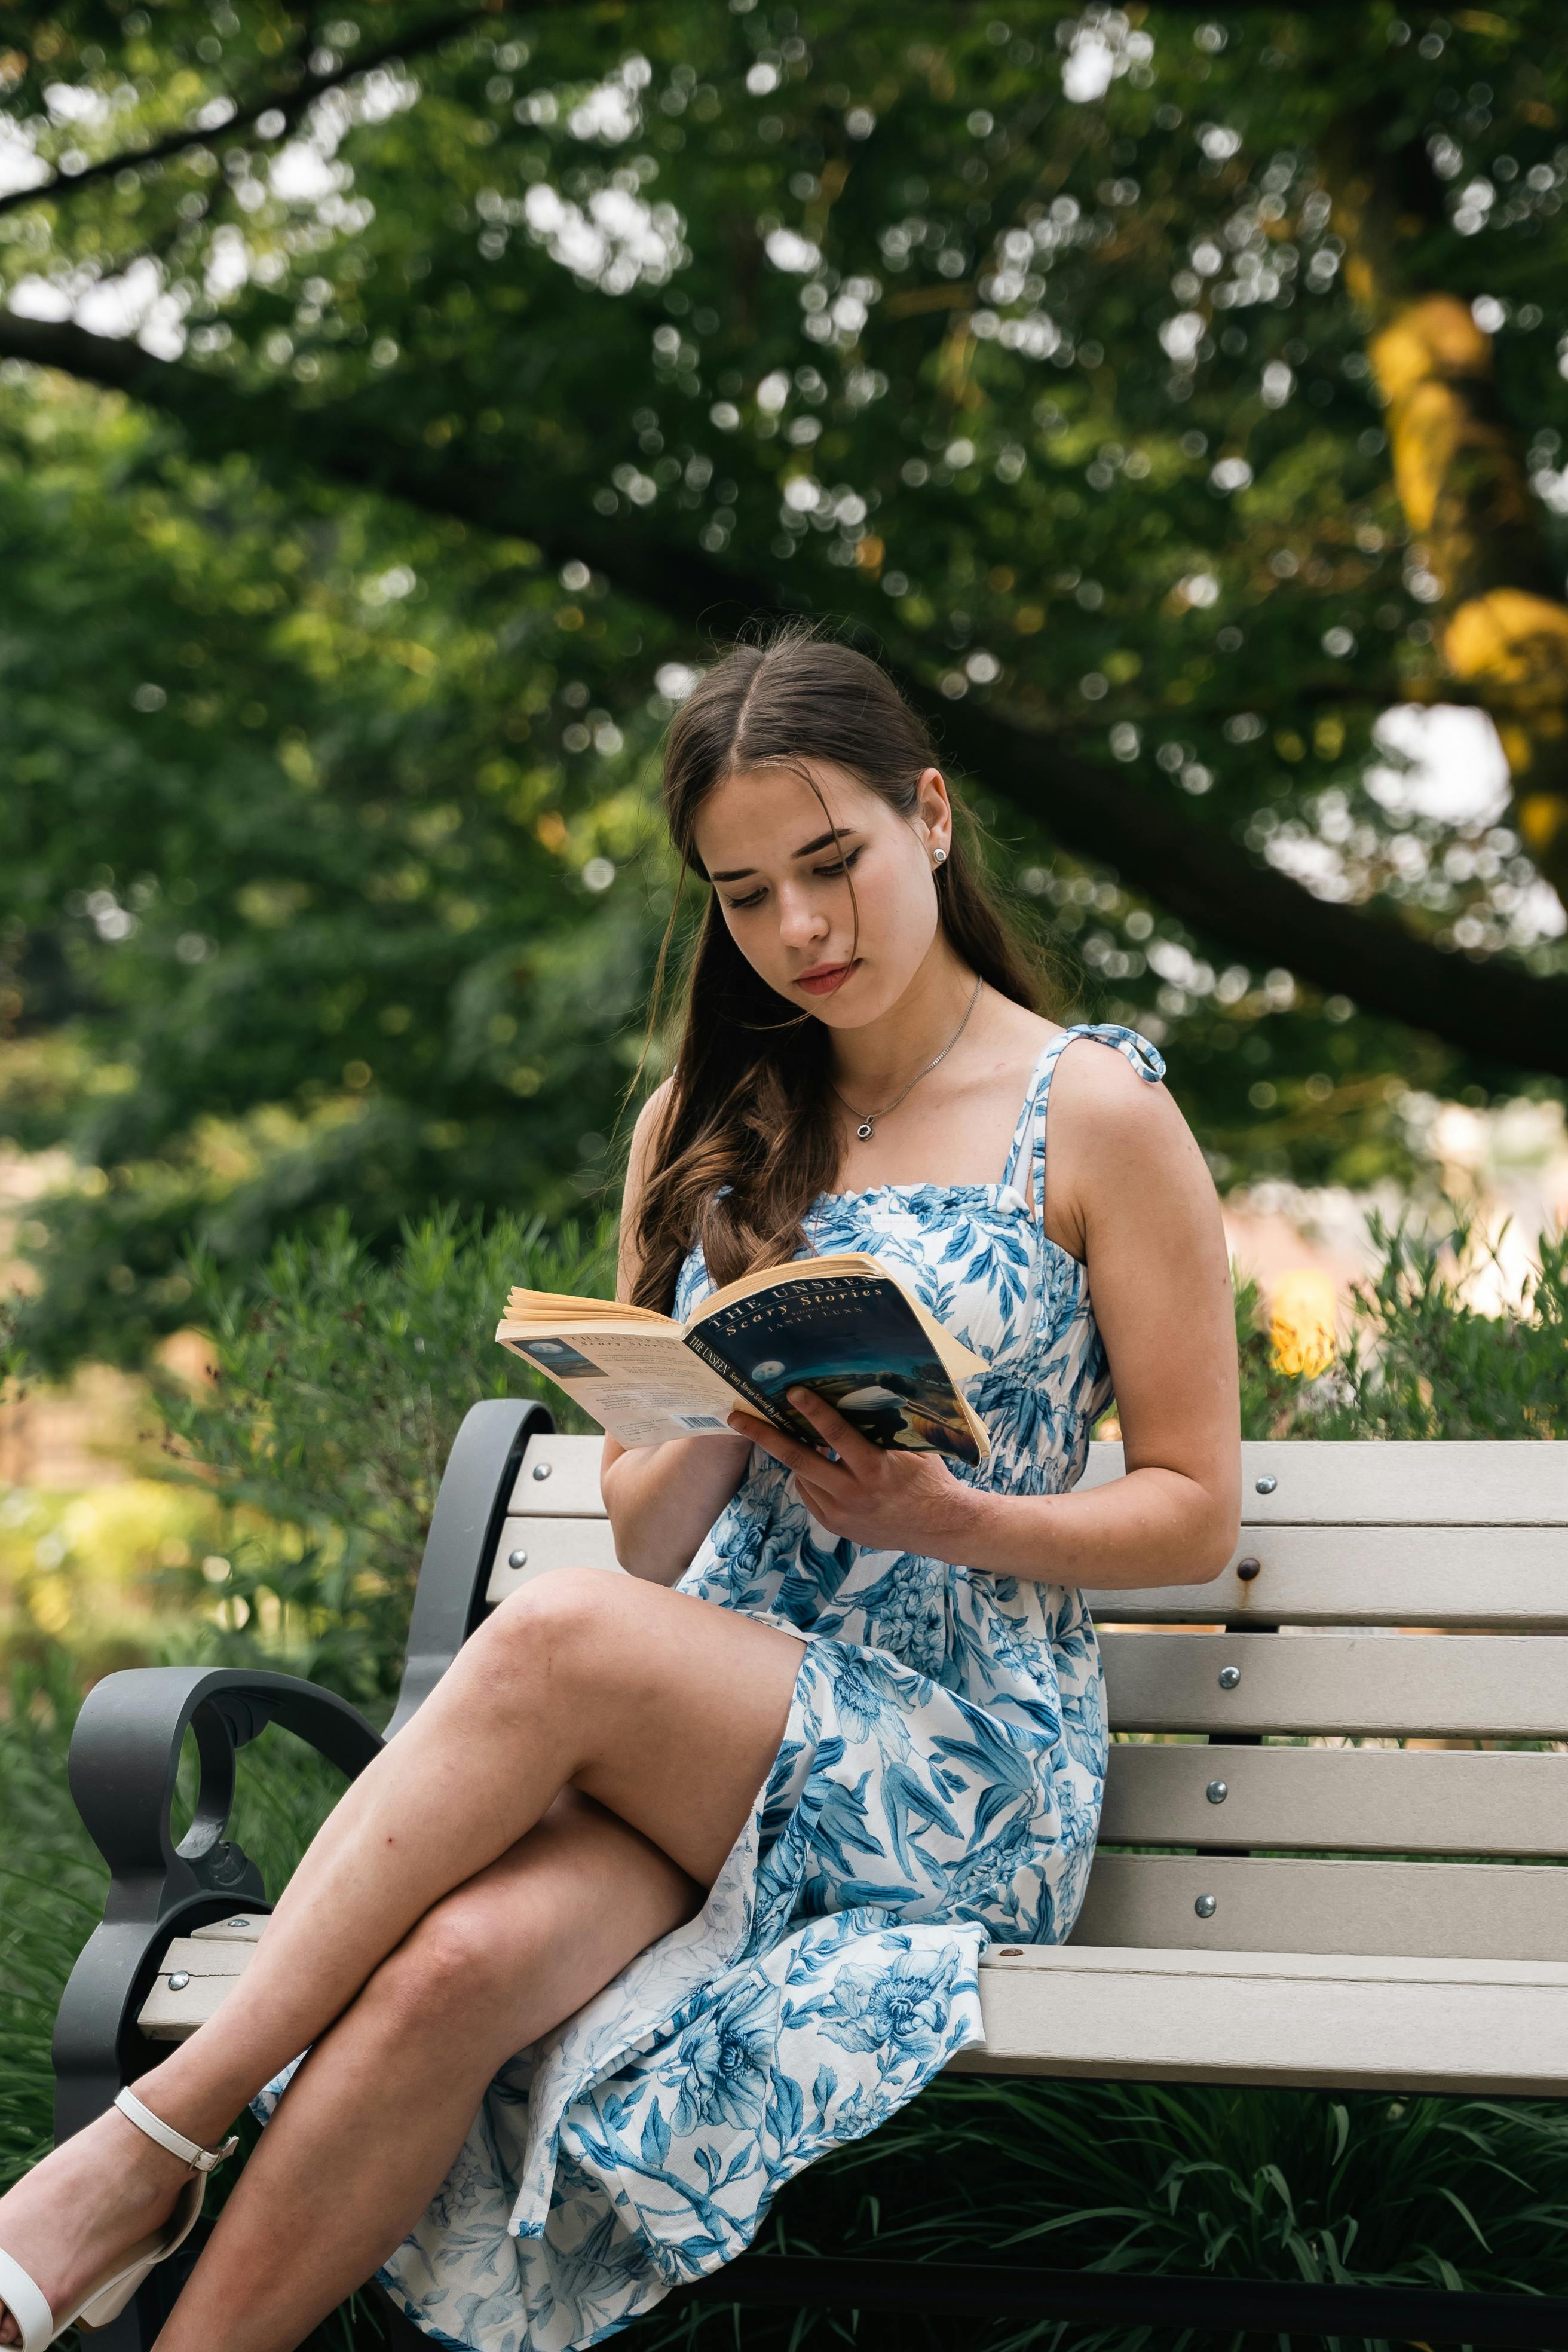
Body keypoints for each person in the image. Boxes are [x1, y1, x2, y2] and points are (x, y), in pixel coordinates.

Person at [0, 626, 1239, 2352]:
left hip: (960, 1767)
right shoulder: (709, 1122)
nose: (802, 931)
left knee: (558, 1637)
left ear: (931, 819)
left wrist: (959, 1520)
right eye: (744, 896)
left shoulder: (1093, 1110)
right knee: (447, 1973)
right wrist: (731, 1389)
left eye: (834, 865)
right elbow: (655, 1541)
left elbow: (1194, 1507)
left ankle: (145, 2145)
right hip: (711, 1733)